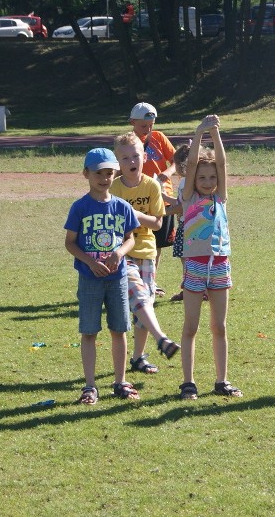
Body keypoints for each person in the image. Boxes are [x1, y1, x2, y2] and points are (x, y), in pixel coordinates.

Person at [64, 148, 140, 404]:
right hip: (89, 278)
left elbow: (130, 238)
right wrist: (89, 261)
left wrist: (119, 253)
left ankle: (120, 381)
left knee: (119, 329)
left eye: (109, 173)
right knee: (89, 331)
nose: (105, 178)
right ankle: (89, 386)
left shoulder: (122, 206)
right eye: (99, 173)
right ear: (86, 173)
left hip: (117, 278)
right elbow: (70, 243)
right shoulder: (80, 207)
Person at [178, 115, 242, 400]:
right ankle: (188, 382)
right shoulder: (189, 197)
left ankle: (221, 381)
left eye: (212, 177)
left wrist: (215, 134)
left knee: (219, 326)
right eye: (202, 177)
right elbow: (192, 164)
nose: (207, 181)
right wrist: (199, 133)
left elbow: (223, 164)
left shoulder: (221, 197)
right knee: (191, 326)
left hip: (220, 263)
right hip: (195, 264)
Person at [110, 132, 181, 376]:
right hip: (123, 253)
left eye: (136, 156)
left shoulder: (152, 185)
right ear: (118, 163)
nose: (132, 162)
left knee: (145, 305)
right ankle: (161, 339)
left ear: (144, 157)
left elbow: (158, 224)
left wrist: (135, 215)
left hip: (147, 252)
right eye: (125, 158)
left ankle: (138, 358)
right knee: (140, 296)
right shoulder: (114, 188)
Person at [128, 102, 176, 296]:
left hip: (161, 197)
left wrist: (166, 174)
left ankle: (151, 281)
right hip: (137, 199)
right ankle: (134, 280)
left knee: (157, 243)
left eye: (151, 124)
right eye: (143, 125)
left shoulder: (158, 137)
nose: (148, 129)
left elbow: (175, 162)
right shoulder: (128, 142)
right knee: (136, 239)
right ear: (132, 122)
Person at [165, 142, 191, 303]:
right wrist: (164, 197)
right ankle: (188, 288)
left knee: (188, 259)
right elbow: (179, 202)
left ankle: (193, 289)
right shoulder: (184, 182)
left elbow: (183, 207)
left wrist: (162, 212)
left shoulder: (189, 182)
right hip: (183, 225)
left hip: (188, 226)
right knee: (184, 258)